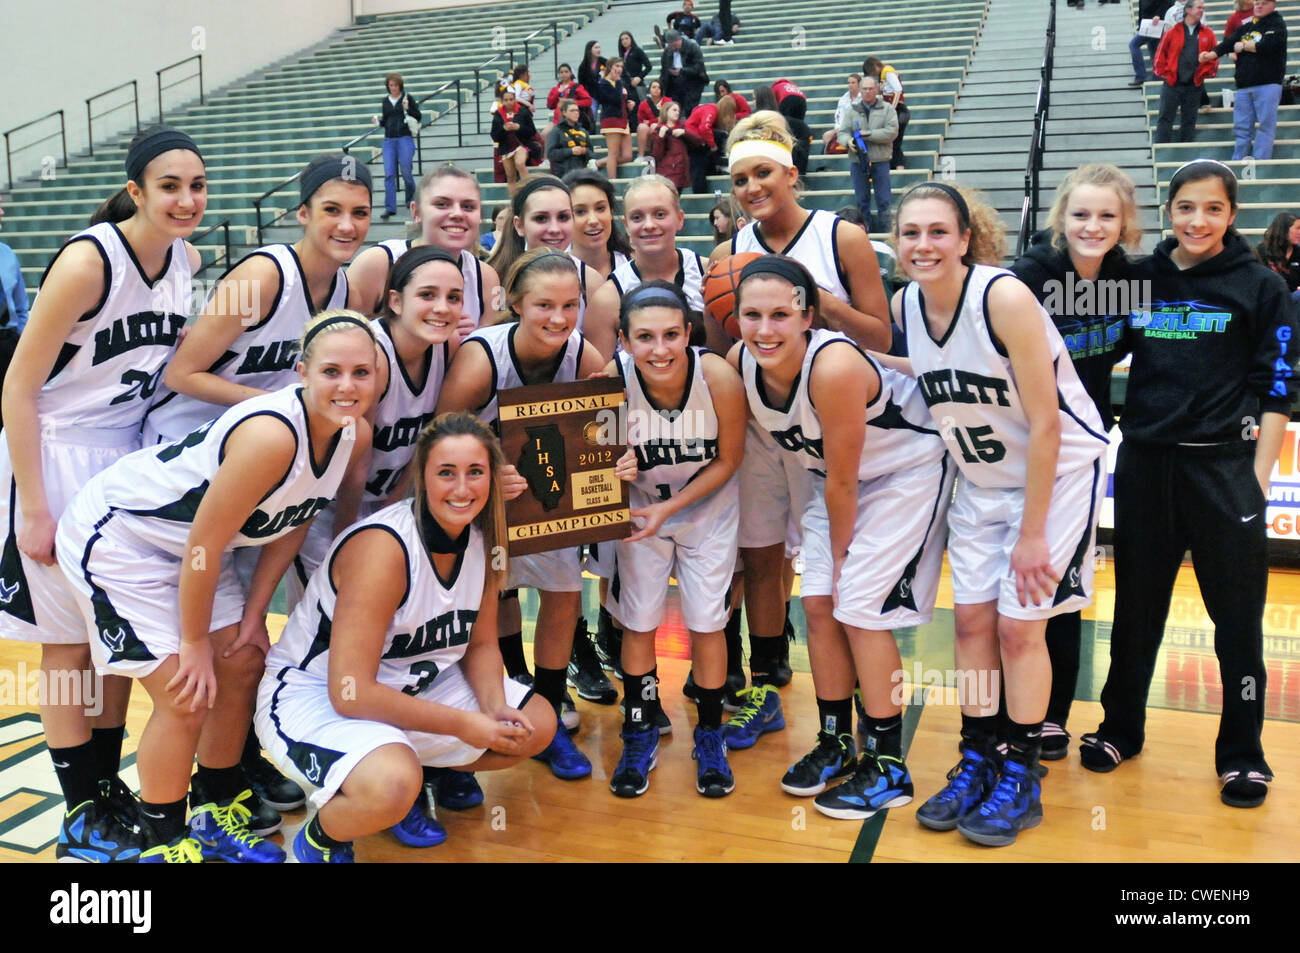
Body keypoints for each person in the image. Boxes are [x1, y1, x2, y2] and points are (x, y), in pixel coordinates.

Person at [56, 311, 377, 862]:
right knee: (186, 693)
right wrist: (194, 642)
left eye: (361, 372)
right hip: (122, 541)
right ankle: (163, 842)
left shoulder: (350, 433)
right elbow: (204, 544)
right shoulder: (272, 437)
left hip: (191, 552)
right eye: (331, 371)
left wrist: (254, 615)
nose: (347, 386)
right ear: (302, 372)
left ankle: (212, 810)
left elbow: (292, 522)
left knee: (244, 660)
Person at [0, 126, 205, 863]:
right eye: (169, 186)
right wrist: (32, 504)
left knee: (114, 640)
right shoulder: (90, 262)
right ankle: (79, 804)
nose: (186, 200)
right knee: (66, 645)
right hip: (54, 452)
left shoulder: (189, 259)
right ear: (135, 191)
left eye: (196, 185)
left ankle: (107, 785)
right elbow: (18, 388)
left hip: (124, 462)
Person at [895, 182, 1108, 847]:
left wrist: (1034, 532)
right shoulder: (908, 302)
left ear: (965, 238)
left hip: (1058, 475)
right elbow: (939, 368)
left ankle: (1021, 768)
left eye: (937, 231)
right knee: (971, 625)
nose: (923, 244)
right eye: (910, 233)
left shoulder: (1004, 295)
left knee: (1021, 630)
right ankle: (978, 754)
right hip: (984, 482)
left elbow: (1046, 422)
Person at [1084, 160, 1297, 808]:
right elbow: (1090, 333)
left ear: (1232, 215)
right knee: (1135, 612)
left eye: (1211, 209)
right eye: (1185, 208)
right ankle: (1121, 727)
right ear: (1169, 211)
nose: (1197, 220)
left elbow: (1279, 386)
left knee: (1236, 623)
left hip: (1223, 470)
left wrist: (1254, 481)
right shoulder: (1142, 277)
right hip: (1147, 465)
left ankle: (1242, 754)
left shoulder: (1261, 286)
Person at [255, 412, 554, 862]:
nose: (462, 488)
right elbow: (350, 695)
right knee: (393, 782)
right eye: (446, 473)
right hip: (313, 693)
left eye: (475, 472)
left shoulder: (484, 538)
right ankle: (323, 838)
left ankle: (396, 774)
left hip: (410, 685)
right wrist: (465, 725)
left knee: (537, 725)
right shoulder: (385, 550)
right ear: (422, 476)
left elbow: (482, 643)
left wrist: (493, 707)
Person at [731, 255, 952, 819]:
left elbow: (848, 480)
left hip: (905, 471)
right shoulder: (740, 362)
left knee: (859, 609)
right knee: (819, 603)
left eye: (780, 314)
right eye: (752, 315)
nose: (765, 329)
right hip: (835, 480)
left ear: (808, 317)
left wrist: (842, 552)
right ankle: (835, 738)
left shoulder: (831, 366)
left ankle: (887, 765)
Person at [709, 113, 892, 751]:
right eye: (740, 178)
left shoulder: (842, 236)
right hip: (765, 425)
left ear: (792, 172)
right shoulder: (727, 256)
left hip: (837, 422)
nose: (753, 186)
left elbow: (883, 337)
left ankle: (864, 703)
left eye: (763, 172)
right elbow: (721, 350)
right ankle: (766, 683)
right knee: (759, 557)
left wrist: (816, 303)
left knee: (837, 576)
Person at [436, 249, 607, 779]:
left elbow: (606, 423)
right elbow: (443, 435)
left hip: (545, 492)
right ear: (514, 304)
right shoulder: (482, 356)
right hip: (481, 496)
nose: (559, 318)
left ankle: (549, 715)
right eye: (544, 306)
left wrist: (616, 452)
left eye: (571, 305)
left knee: (561, 596)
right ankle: (510, 695)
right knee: (494, 595)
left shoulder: (582, 355)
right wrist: (491, 464)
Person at [1010, 164, 1140, 758]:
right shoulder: (1032, 275)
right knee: (1017, 590)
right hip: (1021, 447)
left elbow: (1154, 346)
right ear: (1061, 217)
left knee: (1062, 586)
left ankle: (1052, 714)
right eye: (1080, 214)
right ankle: (1003, 720)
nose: (1093, 226)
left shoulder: (1127, 280)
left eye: (1106, 215)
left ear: (1125, 223)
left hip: (1080, 455)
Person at [603, 280, 745, 798]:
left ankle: (710, 733)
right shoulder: (608, 381)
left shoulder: (717, 376)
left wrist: (670, 508)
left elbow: (730, 459)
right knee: (638, 621)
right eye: (644, 337)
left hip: (705, 506)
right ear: (623, 339)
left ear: (689, 332)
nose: (659, 349)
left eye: (670, 335)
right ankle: (639, 729)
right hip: (640, 511)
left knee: (707, 622)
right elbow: (584, 462)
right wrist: (608, 468)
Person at [146, 154, 372, 447]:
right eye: (332, 210)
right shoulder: (263, 277)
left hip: (256, 439)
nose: (347, 225)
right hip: (183, 436)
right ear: (303, 213)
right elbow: (181, 375)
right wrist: (280, 406)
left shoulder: (346, 295)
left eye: (359, 213)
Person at [346, 164, 500, 340]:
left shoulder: (487, 278)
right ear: (416, 212)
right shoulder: (378, 262)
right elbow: (338, 340)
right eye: (442, 204)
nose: (457, 214)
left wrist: (469, 341)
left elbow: (489, 353)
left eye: (468, 207)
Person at [486, 175, 606, 333]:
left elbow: (598, 352)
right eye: (541, 218)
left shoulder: (590, 281)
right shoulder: (495, 277)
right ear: (519, 225)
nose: (554, 229)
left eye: (563, 217)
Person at [1200, 0, 1288, 160]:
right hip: (1244, 85)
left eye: (1264, 3)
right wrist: (1210, 55)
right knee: (1241, 128)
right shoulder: (1247, 27)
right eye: (1257, 3)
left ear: (1273, 4)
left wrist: (1245, 46)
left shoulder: (1277, 24)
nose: (1259, 6)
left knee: (1266, 126)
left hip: (1267, 84)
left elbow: (1270, 45)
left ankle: (1261, 162)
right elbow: (1228, 43)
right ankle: (1238, 160)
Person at [838, 76, 898, 233]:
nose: (867, 92)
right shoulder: (852, 111)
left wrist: (869, 135)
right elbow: (842, 132)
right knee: (861, 201)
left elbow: (891, 132)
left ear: (877, 90)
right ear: (860, 90)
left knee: (884, 201)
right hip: (858, 162)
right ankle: (863, 234)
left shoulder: (887, 109)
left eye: (871, 88)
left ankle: (887, 235)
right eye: (864, 89)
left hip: (881, 160)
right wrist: (848, 141)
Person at [1154, 0, 1217, 143]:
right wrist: (1166, 73)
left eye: (1203, 8)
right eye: (1198, 7)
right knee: (1165, 118)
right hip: (1172, 84)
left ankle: (1186, 153)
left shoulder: (1208, 33)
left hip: (1194, 86)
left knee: (1189, 120)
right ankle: (1160, 149)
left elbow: (1214, 56)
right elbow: (1161, 53)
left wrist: (1204, 74)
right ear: (1188, 10)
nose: (1201, 10)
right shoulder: (1172, 32)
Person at [563, 168, 632, 280]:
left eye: (600, 208)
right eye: (580, 211)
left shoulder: (633, 265)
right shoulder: (556, 271)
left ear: (611, 212)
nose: (593, 220)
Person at [378, 73, 421, 221]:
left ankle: (410, 200)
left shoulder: (407, 98)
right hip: (389, 140)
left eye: (395, 85)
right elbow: (386, 120)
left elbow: (418, 116)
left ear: (400, 86)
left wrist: (408, 108)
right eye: (390, 85)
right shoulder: (385, 101)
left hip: (404, 138)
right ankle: (390, 208)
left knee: (406, 171)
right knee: (389, 174)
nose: (393, 88)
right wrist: (378, 122)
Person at [0, 239, 29, 429]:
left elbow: (21, 306)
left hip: (8, 342)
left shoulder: (6, 253)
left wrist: (21, 340)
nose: (2, 213)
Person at [684, 95, 738, 194]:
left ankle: (720, 164)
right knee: (722, 135)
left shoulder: (712, 111)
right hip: (695, 141)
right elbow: (704, 128)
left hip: (698, 141)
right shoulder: (711, 110)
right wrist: (713, 145)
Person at [862, 57, 909, 170]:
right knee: (891, 140)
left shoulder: (887, 71)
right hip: (895, 110)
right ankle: (895, 165)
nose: (873, 75)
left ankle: (899, 167)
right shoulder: (883, 75)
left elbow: (898, 90)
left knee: (894, 140)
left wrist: (892, 109)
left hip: (898, 110)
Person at [491, 89, 538, 194]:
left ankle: (530, 191)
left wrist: (519, 127)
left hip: (522, 144)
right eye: (506, 100)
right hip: (506, 147)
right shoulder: (498, 114)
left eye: (511, 99)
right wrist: (504, 129)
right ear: (502, 101)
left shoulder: (523, 111)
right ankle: (514, 200)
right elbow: (494, 135)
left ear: (515, 100)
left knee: (520, 163)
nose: (508, 102)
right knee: (510, 176)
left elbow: (532, 131)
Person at [595, 59, 634, 179]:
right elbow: (614, 99)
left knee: (628, 156)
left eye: (621, 66)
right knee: (613, 154)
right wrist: (617, 82)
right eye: (617, 66)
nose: (620, 69)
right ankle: (613, 181)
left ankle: (598, 162)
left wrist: (629, 104)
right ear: (610, 67)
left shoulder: (619, 82)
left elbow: (620, 100)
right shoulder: (603, 83)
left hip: (623, 120)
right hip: (611, 120)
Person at [659, 30, 709, 117]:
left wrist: (682, 70)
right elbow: (664, 69)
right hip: (674, 84)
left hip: (692, 82)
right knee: (673, 109)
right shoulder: (667, 51)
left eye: (675, 45)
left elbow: (699, 68)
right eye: (671, 46)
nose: (673, 48)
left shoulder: (693, 47)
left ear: (680, 40)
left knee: (690, 109)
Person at [647, 101, 691, 192]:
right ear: (666, 111)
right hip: (666, 171)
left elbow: (697, 140)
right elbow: (656, 154)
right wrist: (661, 137)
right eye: (674, 110)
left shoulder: (684, 126)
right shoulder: (658, 130)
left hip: (681, 169)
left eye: (678, 111)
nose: (677, 113)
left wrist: (685, 133)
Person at [1255, 210, 1300, 292]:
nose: (1299, 232)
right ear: (1284, 230)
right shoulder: (1262, 251)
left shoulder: (1298, 253)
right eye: (1297, 228)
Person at [547, 100, 593, 180]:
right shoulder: (556, 131)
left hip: (582, 173)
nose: (576, 113)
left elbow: (591, 152)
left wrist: (584, 151)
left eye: (577, 110)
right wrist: (571, 151)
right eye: (572, 110)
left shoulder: (583, 131)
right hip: (564, 174)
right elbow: (551, 154)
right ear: (564, 112)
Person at [1129, 0, 1168, 86]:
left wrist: (1160, 16)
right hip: (1148, 25)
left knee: (1133, 45)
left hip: (1155, 24)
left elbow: (1168, 3)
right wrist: (1140, 25)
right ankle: (1157, 76)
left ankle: (1141, 76)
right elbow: (1142, 11)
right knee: (1153, 49)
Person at [547, 64, 595, 133]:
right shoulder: (555, 88)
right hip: (557, 120)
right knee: (544, 134)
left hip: (572, 120)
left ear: (570, 73)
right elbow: (550, 105)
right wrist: (557, 93)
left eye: (566, 72)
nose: (564, 74)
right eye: (561, 72)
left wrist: (571, 102)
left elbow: (588, 101)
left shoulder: (577, 87)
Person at [823, 74, 861, 154]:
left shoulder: (864, 97)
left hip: (859, 127)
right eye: (849, 83)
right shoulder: (843, 99)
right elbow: (838, 116)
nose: (850, 85)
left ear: (859, 84)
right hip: (845, 128)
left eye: (853, 82)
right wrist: (838, 128)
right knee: (827, 135)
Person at [618, 31, 653, 113]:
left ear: (631, 39)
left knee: (641, 107)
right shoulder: (622, 54)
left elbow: (649, 66)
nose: (624, 41)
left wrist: (639, 77)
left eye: (626, 38)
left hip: (637, 84)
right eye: (622, 39)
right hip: (626, 84)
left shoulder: (637, 50)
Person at [637, 79, 673, 157]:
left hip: (665, 128)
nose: (656, 89)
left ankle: (655, 154)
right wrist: (656, 121)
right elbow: (641, 121)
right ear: (649, 90)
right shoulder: (643, 105)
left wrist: (653, 122)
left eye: (659, 87)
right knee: (642, 127)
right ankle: (641, 156)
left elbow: (669, 119)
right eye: (654, 87)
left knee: (654, 127)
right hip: (649, 129)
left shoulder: (668, 102)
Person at [578, 41, 606, 106]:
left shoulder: (605, 62)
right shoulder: (583, 66)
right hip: (591, 95)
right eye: (596, 48)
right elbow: (581, 83)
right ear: (589, 50)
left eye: (599, 47)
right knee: (592, 112)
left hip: (605, 94)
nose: (599, 50)